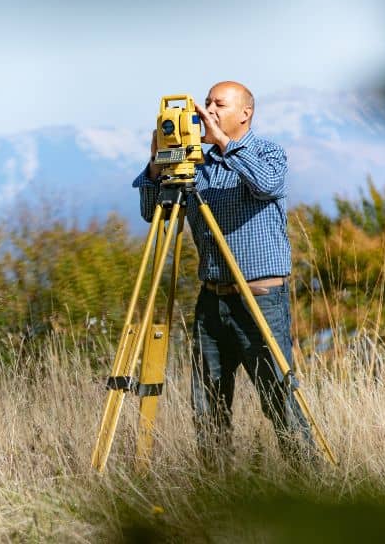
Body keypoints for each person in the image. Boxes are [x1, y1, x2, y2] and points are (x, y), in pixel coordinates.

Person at [132, 81, 316, 466]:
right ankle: (216, 489)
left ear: (245, 113)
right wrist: (156, 165)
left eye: (220, 104)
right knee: (208, 404)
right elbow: (155, 214)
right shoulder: (194, 162)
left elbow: (269, 185)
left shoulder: (266, 152)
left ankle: (309, 480)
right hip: (212, 300)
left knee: (278, 397)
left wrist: (223, 146)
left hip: (261, 301)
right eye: (208, 103)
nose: (209, 110)